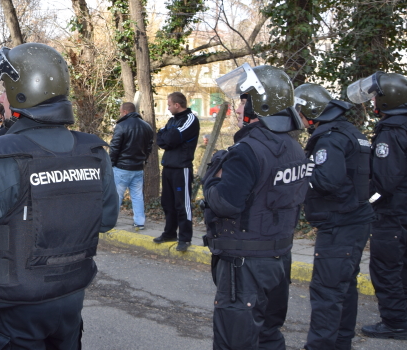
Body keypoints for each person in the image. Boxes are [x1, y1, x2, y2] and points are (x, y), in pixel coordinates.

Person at [0, 43, 119, 350]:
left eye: (4, 90)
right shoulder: (92, 153)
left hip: (15, 305)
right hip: (70, 298)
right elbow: (106, 220)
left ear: (22, 94)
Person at [202, 63, 310, 350]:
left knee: (235, 342)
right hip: (278, 259)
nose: (238, 107)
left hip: (245, 265)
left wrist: (210, 182)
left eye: (243, 100)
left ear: (259, 103)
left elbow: (225, 203)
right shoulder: (292, 147)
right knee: (268, 337)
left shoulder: (247, 151)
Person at [294, 83, 374, 349]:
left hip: (341, 223)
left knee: (327, 291)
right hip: (355, 218)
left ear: (311, 111)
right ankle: (341, 342)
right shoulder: (351, 132)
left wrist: (303, 170)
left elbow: (327, 180)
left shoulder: (330, 138)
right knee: (344, 287)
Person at [347, 72, 407, 340]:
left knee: (386, 267)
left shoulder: (392, 132)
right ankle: (399, 314)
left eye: (376, 95)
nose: (374, 100)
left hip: (394, 213)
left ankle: (395, 323)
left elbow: (385, 182)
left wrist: (364, 202)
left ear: (388, 99)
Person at [154, 91, 200, 251]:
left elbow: (171, 138)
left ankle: (185, 238)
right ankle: (169, 233)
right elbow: (161, 139)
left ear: (177, 105)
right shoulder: (172, 120)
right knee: (167, 203)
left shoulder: (190, 119)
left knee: (182, 204)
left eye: (168, 105)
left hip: (182, 168)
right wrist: (166, 136)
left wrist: (167, 136)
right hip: (168, 167)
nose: (167, 108)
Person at [109, 101, 154, 230]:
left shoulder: (121, 126)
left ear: (125, 112)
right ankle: (139, 222)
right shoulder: (147, 126)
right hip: (138, 167)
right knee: (137, 195)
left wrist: (111, 164)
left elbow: (115, 148)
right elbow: (149, 147)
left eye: (120, 112)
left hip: (122, 167)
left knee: (116, 195)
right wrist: (143, 160)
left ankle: (111, 221)